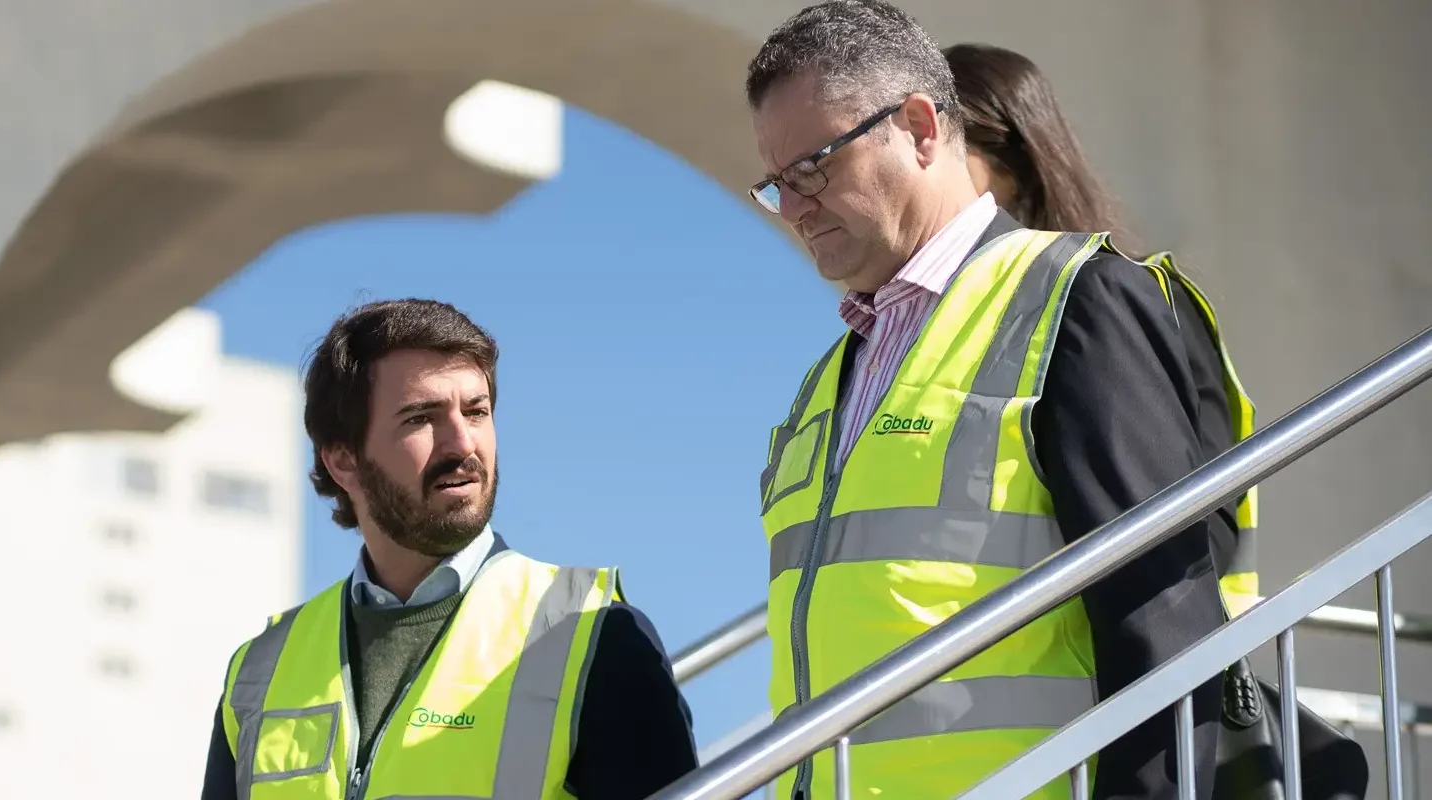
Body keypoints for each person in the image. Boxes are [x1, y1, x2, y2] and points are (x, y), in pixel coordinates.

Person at [744, 2, 1234, 797]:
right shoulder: (829, 376)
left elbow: (1162, 619)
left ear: (919, 127)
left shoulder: (1076, 298)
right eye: (775, 185)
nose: (793, 209)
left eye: (811, 169)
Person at [198, 299, 698, 799]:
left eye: (477, 412)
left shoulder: (591, 633)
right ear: (344, 460)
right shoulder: (258, 674)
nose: (463, 444)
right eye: (421, 418)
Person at [943, 41, 1263, 617]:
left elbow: (1190, 528)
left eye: (942, 155)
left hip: (1163, 676)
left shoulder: (1119, 297)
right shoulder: (945, 332)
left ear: (1013, 163)